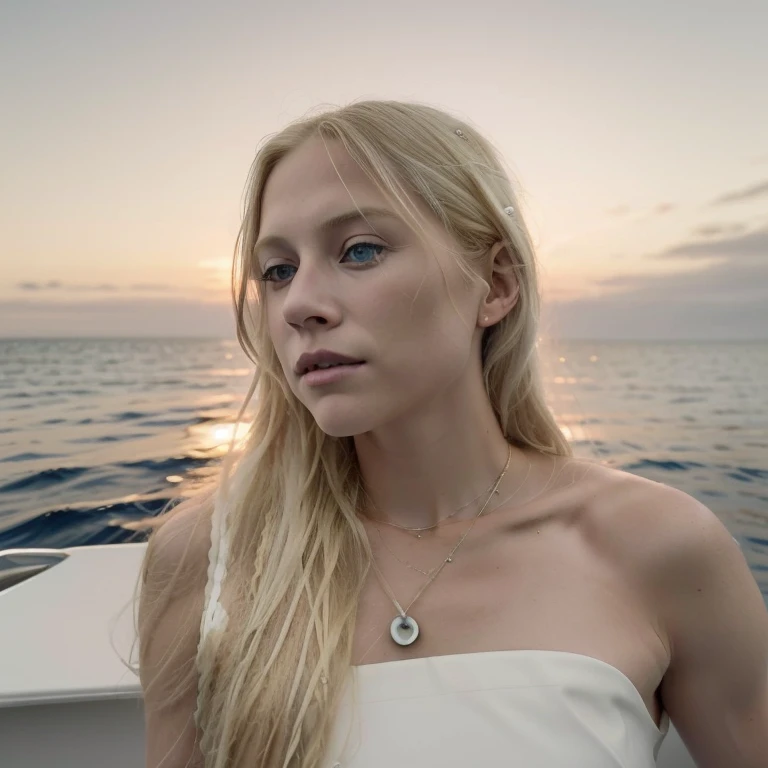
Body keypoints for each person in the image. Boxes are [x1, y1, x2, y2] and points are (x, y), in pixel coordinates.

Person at [136, 100, 768, 768]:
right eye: (278, 270)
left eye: (360, 251)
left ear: (494, 285)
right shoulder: (205, 560)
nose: (298, 305)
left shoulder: (659, 546)